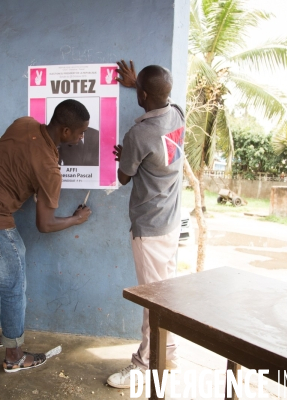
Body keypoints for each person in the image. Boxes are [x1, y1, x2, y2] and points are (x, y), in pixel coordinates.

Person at [0, 99, 92, 373]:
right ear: (65, 131)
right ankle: (15, 356)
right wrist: (76, 219)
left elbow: (15, 160)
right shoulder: (50, 169)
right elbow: (46, 224)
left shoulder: (23, 123)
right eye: (79, 132)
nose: (82, 137)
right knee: (13, 287)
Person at [107, 60, 185, 389]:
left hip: (149, 230)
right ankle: (168, 352)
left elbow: (124, 176)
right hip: (170, 222)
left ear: (142, 95)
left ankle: (144, 365)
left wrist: (127, 156)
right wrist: (137, 85)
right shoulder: (178, 113)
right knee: (165, 293)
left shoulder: (138, 134)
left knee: (153, 301)